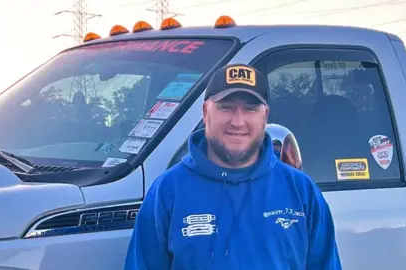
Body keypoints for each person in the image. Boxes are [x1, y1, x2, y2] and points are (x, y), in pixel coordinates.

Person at [124, 63, 342, 269]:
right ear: (205, 112)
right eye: (226, 107)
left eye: (250, 109)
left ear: (265, 115)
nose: (238, 122)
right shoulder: (167, 191)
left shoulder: (301, 191)